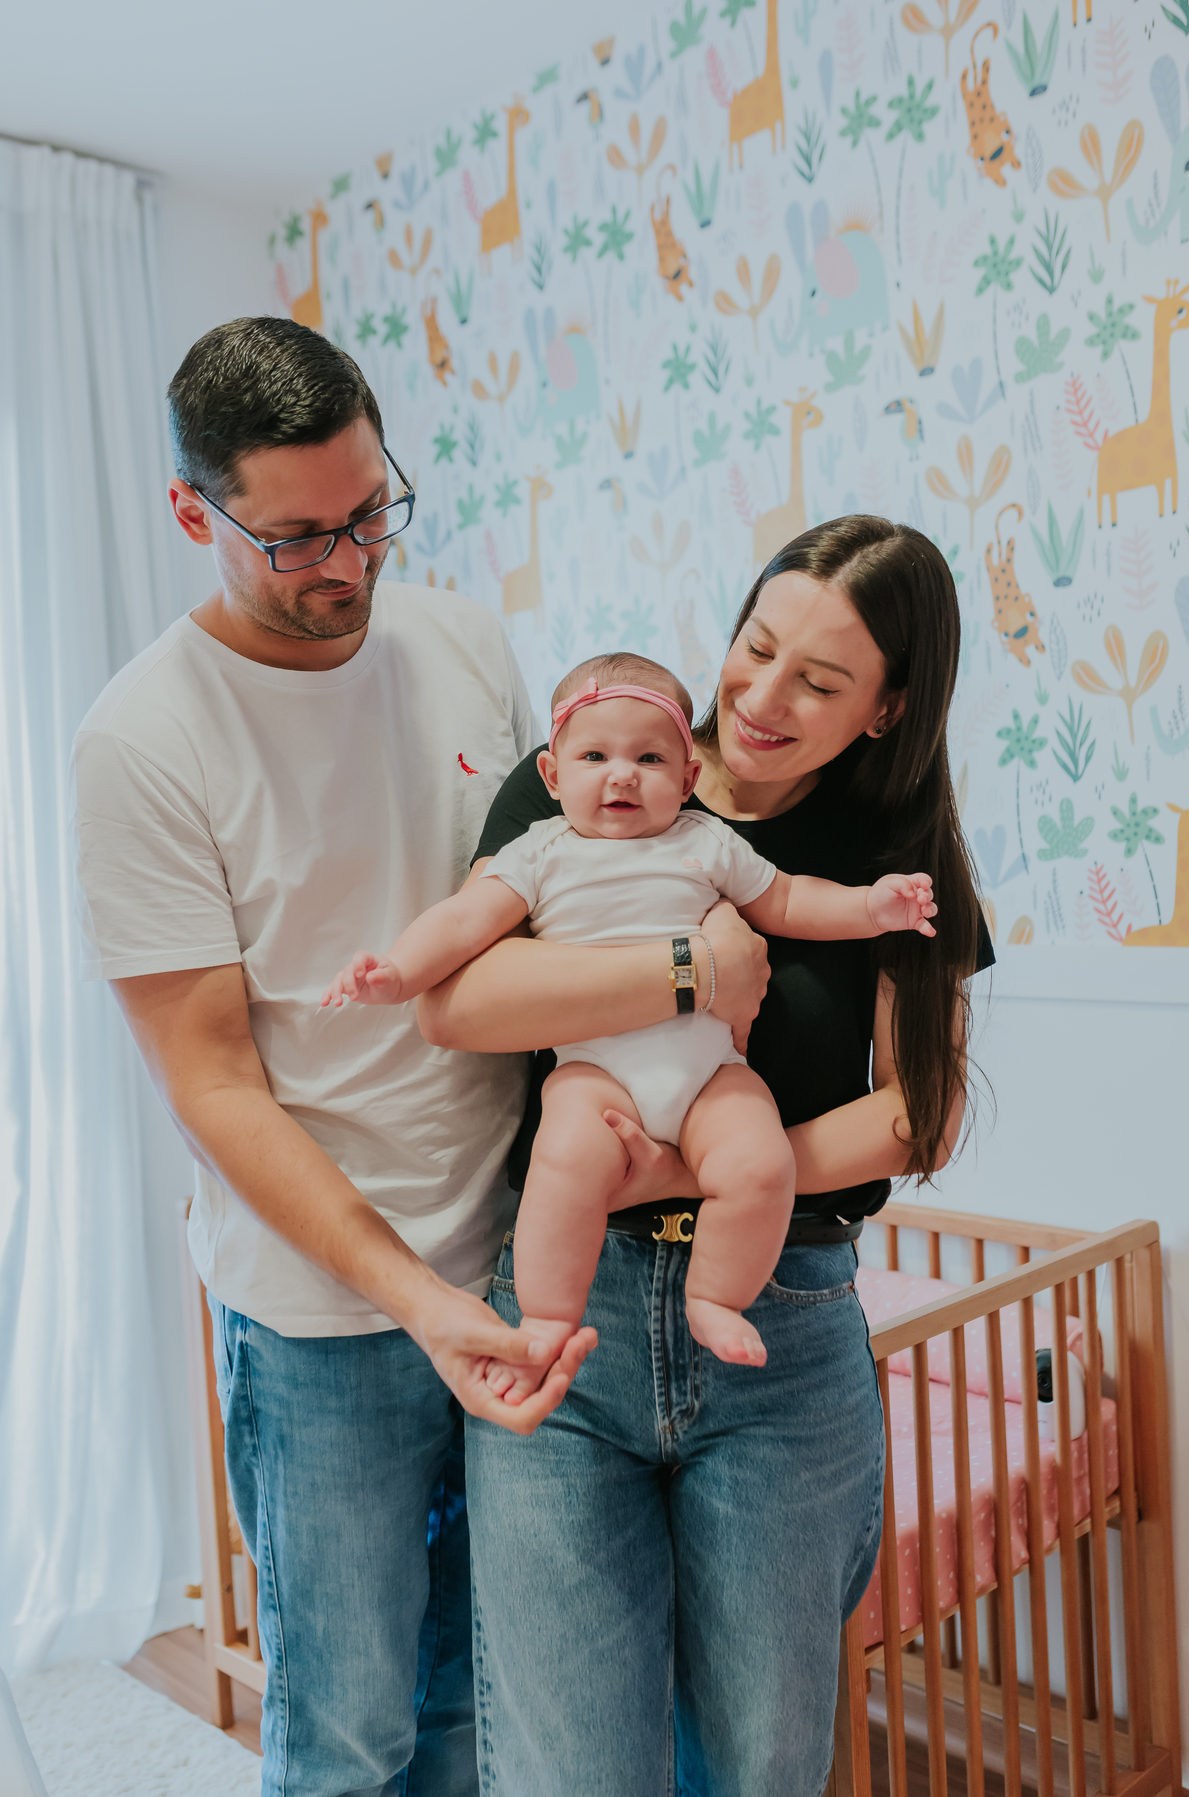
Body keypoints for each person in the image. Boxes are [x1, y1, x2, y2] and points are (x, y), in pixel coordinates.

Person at [70, 315, 602, 1797]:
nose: (352, 563)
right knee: (352, 1726)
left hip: (515, 1262)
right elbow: (214, 1085)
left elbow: (539, 900)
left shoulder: (464, 641)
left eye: (373, 511)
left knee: (480, 1701)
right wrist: (417, 1300)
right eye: (299, 537)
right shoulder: (143, 743)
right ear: (195, 516)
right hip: (323, 1318)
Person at [419, 517, 995, 1796]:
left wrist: (700, 1169)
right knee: (570, 1767)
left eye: (820, 681)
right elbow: (460, 1003)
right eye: (756, 646)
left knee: (762, 1765)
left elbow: (920, 1114)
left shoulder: (892, 860)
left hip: (780, 1323)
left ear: (889, 709)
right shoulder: (597, 763)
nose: (762, 697)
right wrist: (692, 968)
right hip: (571, 1310)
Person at [321, 652, 937, 1379]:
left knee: (760, 1161)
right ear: (552, 775)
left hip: (710, 1071)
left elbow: (790, 899)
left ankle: (716, 1297)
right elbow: (461, 923)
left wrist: (872, 907)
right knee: (564, 1163)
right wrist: (396, 972)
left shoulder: (707, 842)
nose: (622, 775)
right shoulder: (539, 852)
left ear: (688, 778)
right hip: (596, 1073)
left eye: (649, 758)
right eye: (595, 756)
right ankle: (548, 1318)